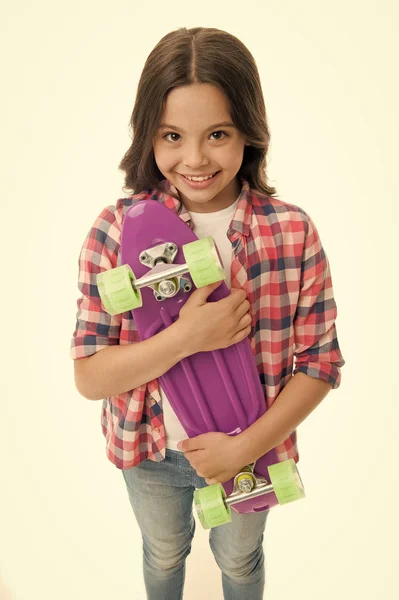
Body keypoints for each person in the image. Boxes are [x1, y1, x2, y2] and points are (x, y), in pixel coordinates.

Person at [70, 26, 345, 600]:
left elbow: (320, 363)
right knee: (163, 551)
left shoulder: (291, 233)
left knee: (240, 561)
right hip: (149, 451)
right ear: (148, 136)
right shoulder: (115, 232)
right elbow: (91, 376)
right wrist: (187, 337)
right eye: (172, 135)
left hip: (252, 447)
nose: (194, 158)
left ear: (249, 130)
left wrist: (245, 448)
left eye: (217, 134)